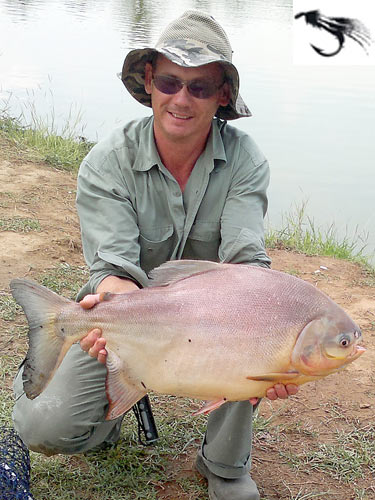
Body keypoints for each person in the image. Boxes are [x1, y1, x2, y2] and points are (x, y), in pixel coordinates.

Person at [12, 10, 298, 500]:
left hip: (213, 317)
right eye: (170, 81)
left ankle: (224, 464)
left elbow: (248, 267)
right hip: (124, 313)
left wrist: (275, 354)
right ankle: (88, 405)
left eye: (200, 87)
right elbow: (113, 271)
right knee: (44, 429)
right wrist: (116, 326)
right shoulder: (108, 161)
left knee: (248, 321)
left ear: (222, 95)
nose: (181, 99)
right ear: (150, 81)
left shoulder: (246, 160)